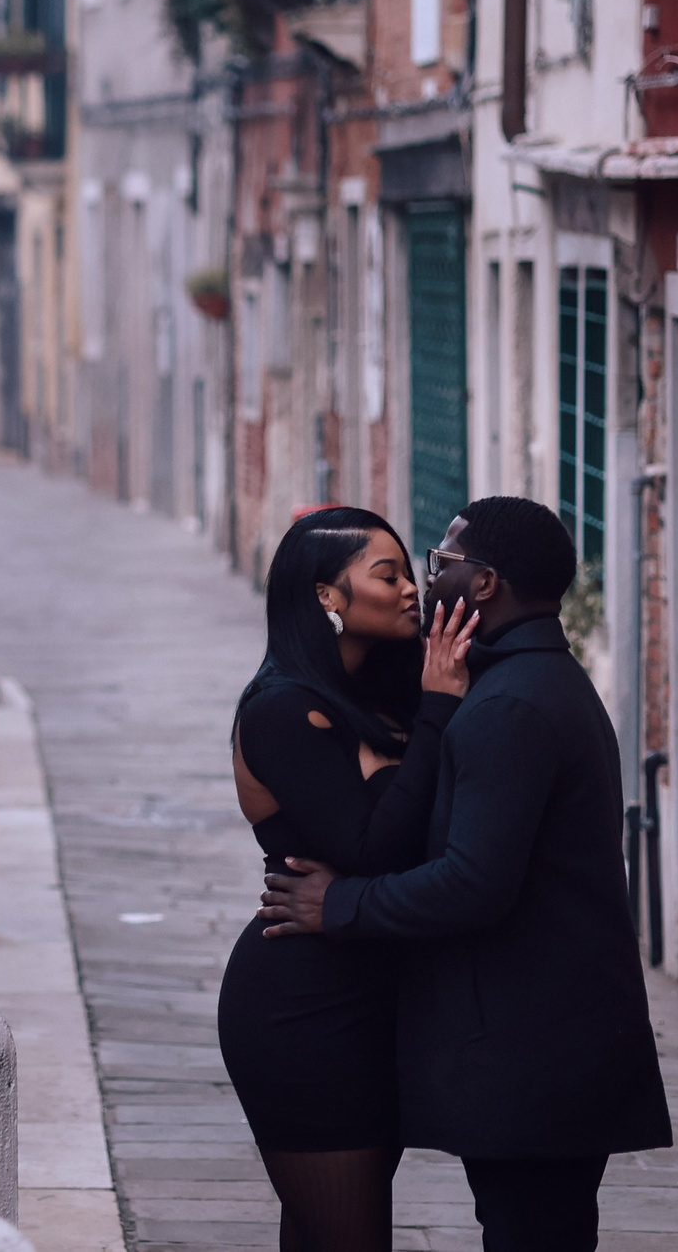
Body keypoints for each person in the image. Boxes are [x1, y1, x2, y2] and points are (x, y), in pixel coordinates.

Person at [261, 497, 673, 1251]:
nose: (427, 577)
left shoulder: (509, 706)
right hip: (550, 1049)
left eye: (440, 562)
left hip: (536, 1055)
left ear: (483, 584)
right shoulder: (530, 683)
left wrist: (340, 904)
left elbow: (472, 882)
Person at [218, 507, 478, 1251]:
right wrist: (437, 710)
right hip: (302, 1008)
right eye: (386, 574)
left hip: (381, 1000)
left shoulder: (382, 701)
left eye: (408, 572)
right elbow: (365, 845)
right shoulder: (280, 710)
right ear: (328, 596)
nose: (409, 590)